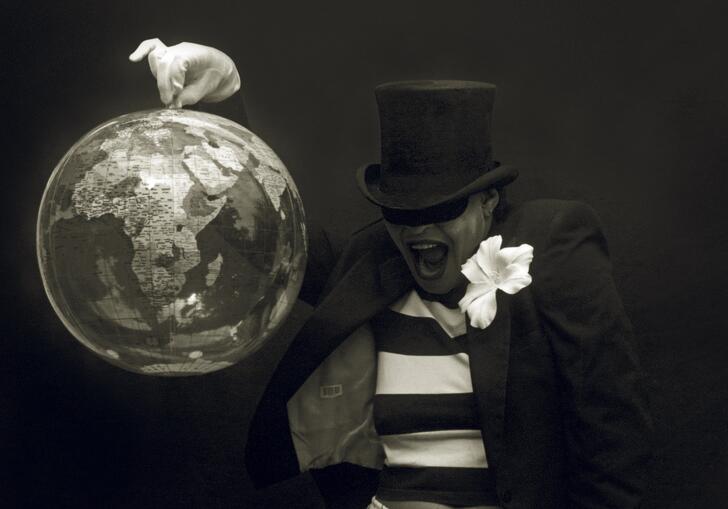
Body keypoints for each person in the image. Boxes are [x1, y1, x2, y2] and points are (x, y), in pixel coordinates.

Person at [130, 39, 653, 509]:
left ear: (489, 202)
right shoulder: (371, 262)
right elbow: (265, 235)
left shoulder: (552, 246)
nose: (418, 225)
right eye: (401, 211)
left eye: (442, 208)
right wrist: (222, 100)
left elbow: (612, 437)